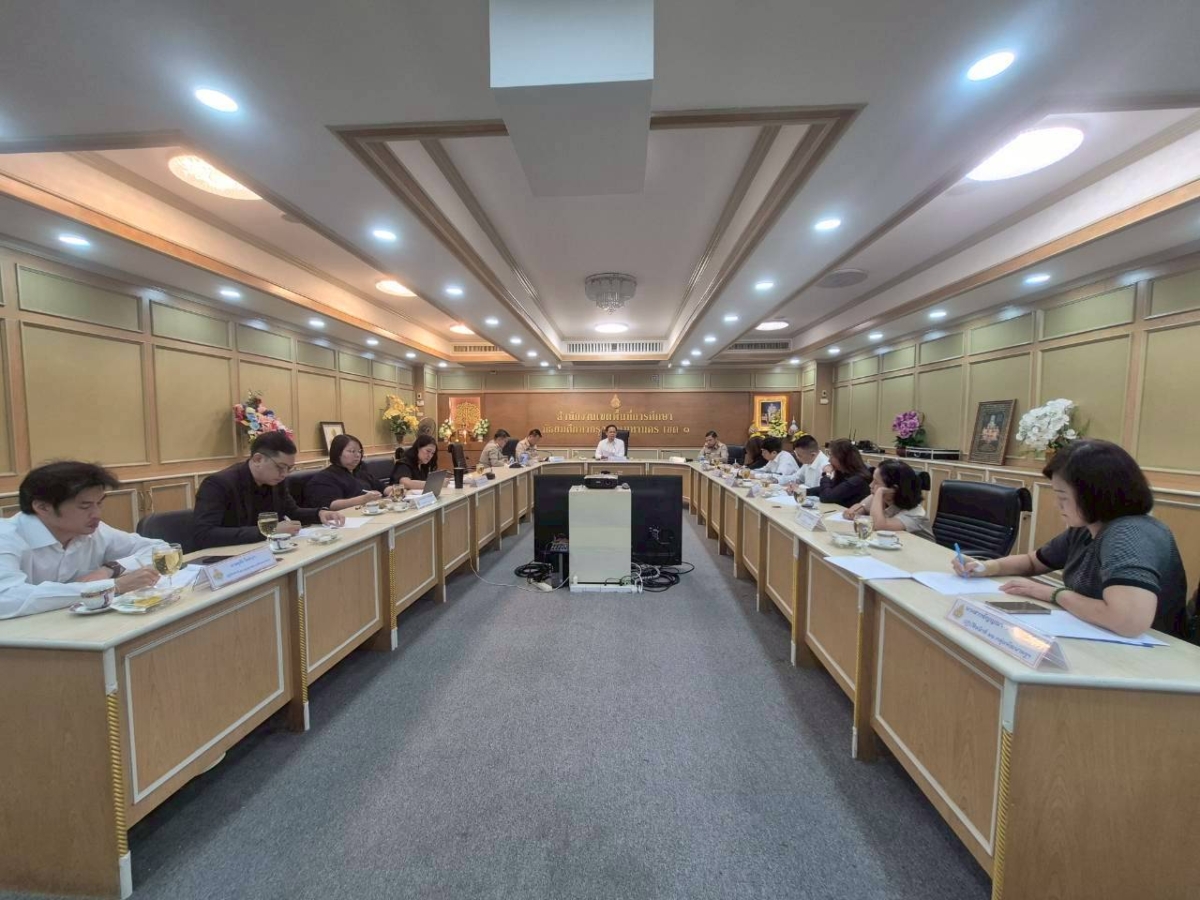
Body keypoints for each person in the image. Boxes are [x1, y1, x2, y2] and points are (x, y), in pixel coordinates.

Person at [953, 439, 1189, 638]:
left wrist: (1052, 593)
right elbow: (1033, 562)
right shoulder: (1088, 527)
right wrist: (986, 567)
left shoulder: (1130, 534)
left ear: (1095, 496)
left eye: (1063, 497)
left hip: (1153, 657)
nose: (1058, 505)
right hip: (1097, 634)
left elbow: (1128, 621)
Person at [0, 462, 166, 619]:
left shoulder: (93, 531)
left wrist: (110, 569)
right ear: (43, 507)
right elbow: (6, 598)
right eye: (85, 506)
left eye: (99, 503)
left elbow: (160, 549)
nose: (97, 514)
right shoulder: (7, 537)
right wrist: (112, 586)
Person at [193, 432, 345, 550]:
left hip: (264, 551)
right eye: (280, 467)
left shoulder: (276, 481)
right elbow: (204, 534)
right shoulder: (218, 484)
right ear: (258, 459)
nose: (284, 474)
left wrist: (319, 514)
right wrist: (269, 531)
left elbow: (291, 512)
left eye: (289, 468)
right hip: (229, 558)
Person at [843, 459, 933, 541]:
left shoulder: (915, 514)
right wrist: (854, 512)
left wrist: (879, 492)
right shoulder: (882, 497)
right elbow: (861, 507)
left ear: (893, 489)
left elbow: (877, 525)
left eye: (876, 482)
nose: (870, 485)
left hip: (923, 551)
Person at [303, 434, 395, 511]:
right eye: (352, 451)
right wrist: (362, 499)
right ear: (338, 453)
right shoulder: (325, 477)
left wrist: (395, 490)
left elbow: (382, 488)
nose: (357, 455)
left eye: (359, 451)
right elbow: (330, 505)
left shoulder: (360, 472)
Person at [811, 438, 872, 507]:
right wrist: (805, 491)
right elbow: (829, 488)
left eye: (831, 456)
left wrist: (827, 474)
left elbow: (826, 497)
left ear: (842, 458)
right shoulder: (844, 473)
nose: (829, 460)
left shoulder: (857, 480)